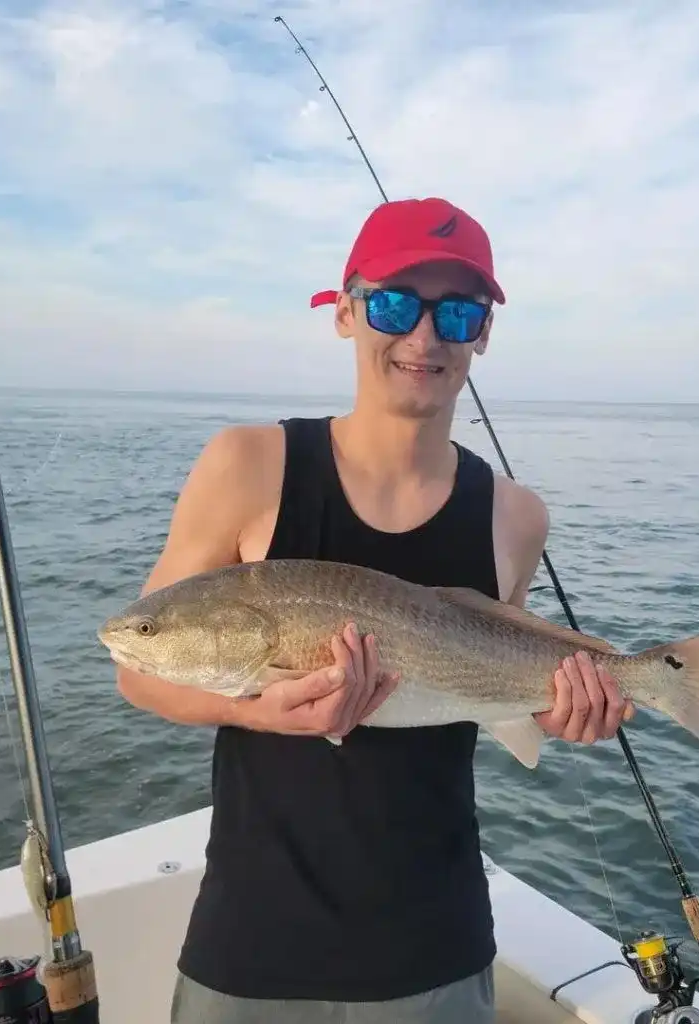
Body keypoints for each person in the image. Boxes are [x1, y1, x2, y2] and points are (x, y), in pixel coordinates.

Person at [115, 196, 635, 1023]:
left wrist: (571, 708)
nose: (424, 338)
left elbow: (497, 684)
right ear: (347, 313)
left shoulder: (515, 514)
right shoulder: (248, 464)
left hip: (436, 944)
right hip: (251, 942)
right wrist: (260, 714)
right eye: (395, 304)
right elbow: (139, 675)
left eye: (457, 313)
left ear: (483, 334)